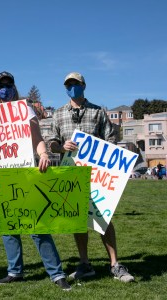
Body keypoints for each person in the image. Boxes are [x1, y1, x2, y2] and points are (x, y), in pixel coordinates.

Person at [48, 71, 135, 283]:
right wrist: (61, 147)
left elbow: (111, 139)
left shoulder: (98, 112)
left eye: (76, 83)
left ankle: (114, 263)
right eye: (69, 84)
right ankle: (85, 263)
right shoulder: (58, 114)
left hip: (98, 176)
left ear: (84, 86)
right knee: (78, 220)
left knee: (103, 218)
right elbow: (52, 142)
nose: (72, 87)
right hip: (71, 174)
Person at [0, 71, 71, 291]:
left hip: (23, 173)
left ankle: (56, 273)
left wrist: (43, 154)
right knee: (9, 227)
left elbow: (37, 138)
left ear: (14, 88)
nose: (5, 88)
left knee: (37, 226)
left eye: (8, 84)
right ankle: (14, 272)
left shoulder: (24, 110)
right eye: (1, 85)